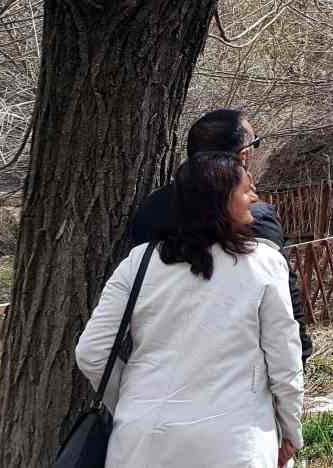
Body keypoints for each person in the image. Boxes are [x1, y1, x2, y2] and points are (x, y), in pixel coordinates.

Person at [77, 151, 304, 467]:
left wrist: (130, 401)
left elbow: (91, 351)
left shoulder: (139, 262)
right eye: (246, 189)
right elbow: (284, 357)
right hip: (235, 438)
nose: (254, 197)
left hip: (142, 440)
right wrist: (291, 429)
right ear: (220, 200)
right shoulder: (264, 263)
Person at [129, 109, 313, 363]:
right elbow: (282, 297)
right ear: (245, 155)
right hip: (237, 366)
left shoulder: (150, 208)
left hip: (157, 360)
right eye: (255, 142)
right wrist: (299, 358)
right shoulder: (252, 216)